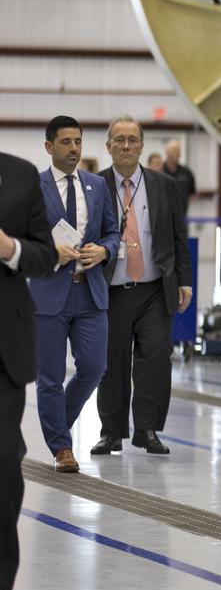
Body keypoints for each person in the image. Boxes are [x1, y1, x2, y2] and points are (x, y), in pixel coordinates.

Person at [95, 116, 193, 456]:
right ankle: (111, 432)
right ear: (108, 146)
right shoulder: (94, 186)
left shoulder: (165, 185)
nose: (125, 145)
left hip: (154, 287)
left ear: (141, 145)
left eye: (132, 139)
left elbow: (179, 237)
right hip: (111, 289)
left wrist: (186, 281)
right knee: (111, 360)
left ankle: (148, 430)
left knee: (156, 356)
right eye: (118, 139)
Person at [30, 117, 120, 474]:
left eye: (78, 142)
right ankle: (62, 448)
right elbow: (20, 240)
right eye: (66, 142)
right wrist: (50, 252)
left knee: (95, 367)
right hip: (48, 294)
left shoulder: (97, 186)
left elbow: (112, 232)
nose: (74, 149)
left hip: (89, 293)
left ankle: (57, 427)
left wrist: (105, 252)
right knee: (49, 376)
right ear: (49, 147)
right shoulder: (32, 188)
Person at [0, 151, 57, 590]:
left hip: (4, 352)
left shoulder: (19, 176)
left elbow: (43, 254)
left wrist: (8, 249)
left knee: (3, 470)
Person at [161, 139, 196, 219]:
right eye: (174, 150)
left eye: (178, 151)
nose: (177, 153)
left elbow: (192, 193)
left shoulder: (187, 173)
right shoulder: (160, 171)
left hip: (182, 218)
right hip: (162, 218)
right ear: (167, 152)